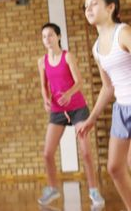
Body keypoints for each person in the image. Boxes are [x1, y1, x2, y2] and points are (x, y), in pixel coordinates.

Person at [37, 23, 104, 206]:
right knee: (47, 153)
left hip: (77, 108)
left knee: (86, 152)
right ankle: (52, 188)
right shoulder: (42, 61)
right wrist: (45, 99)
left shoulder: (68, 57)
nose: (47, 39)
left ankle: (94, 190)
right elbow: (44, 85)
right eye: (44, 36)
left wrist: (68, 93)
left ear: (58, 37)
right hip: (58, 110)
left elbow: (79, 82)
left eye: (50, 35)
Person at [77, 0, 131, 211]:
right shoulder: (97, 47)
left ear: (111, 7)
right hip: (121, 109)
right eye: (86, 5)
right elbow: (107, 88)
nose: (88, 8)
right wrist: (92, 118)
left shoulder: (124, 32)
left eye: (94, 3)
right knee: (115, 168)